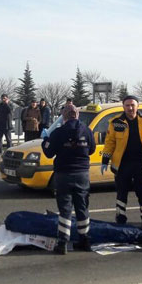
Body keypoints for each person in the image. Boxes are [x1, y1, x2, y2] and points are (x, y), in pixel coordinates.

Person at [41, 104, 96, 254]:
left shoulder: (58, 132)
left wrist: (45, 139)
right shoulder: (87, 131)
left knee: (65, 209)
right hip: (82, 174)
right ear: (77, 115)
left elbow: (48, 153)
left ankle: (62, 243)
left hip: (63, 174)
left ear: (64, 117)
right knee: (82, 207)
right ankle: (85, 241)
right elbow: (92, 149)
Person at [101, 95, 142, 231]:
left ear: (137, 106)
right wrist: (105, 160)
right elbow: (109, 142)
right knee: (121, 194)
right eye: (127, 105)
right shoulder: (115, 122)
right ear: (123, 107)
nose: (130, 108)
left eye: (133, 105)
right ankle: (120, 221)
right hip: (122, 165)